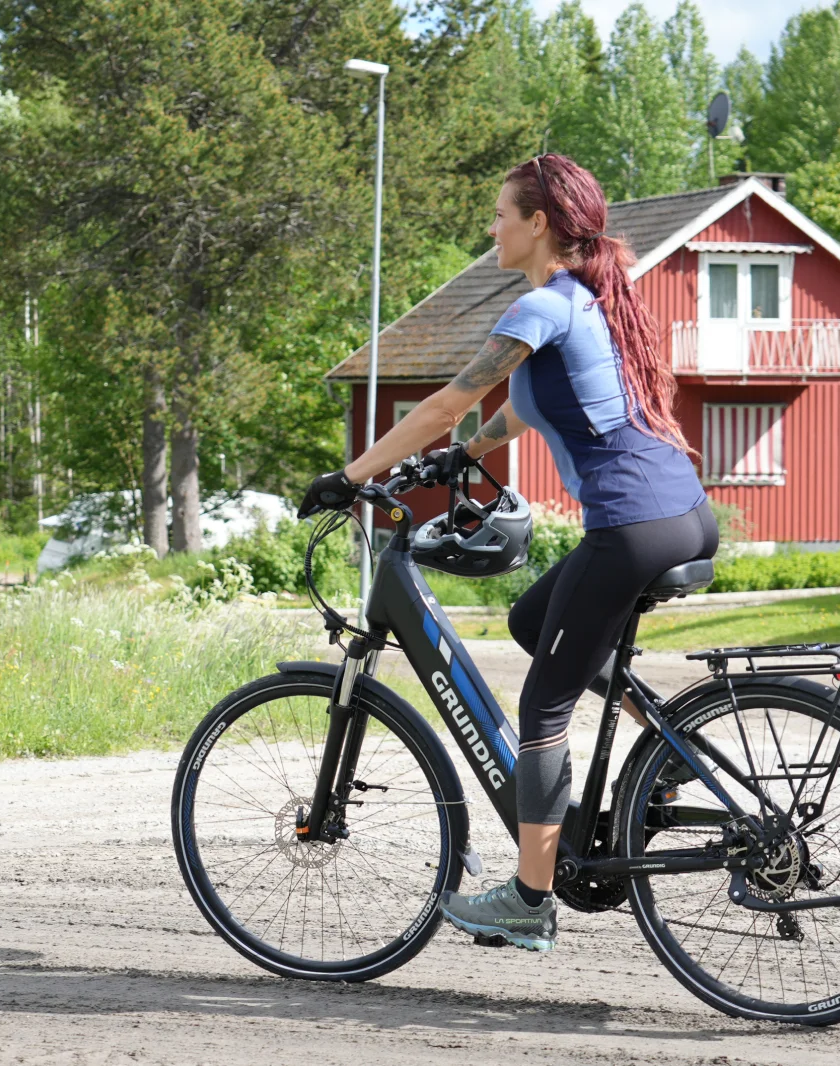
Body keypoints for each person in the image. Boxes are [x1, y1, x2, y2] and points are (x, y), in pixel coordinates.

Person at [296, 154, 717, 952]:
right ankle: (674, 747)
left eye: (499, 215)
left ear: (538, 224)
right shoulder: (589, 300)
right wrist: (466, 454)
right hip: (682, 516)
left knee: (543, 709)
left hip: (631, 527)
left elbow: (446, 402)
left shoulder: (545, 306)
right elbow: (526, 407)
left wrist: (350, 477)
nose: (490, 228)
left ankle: (529, 898)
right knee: (532, 623)